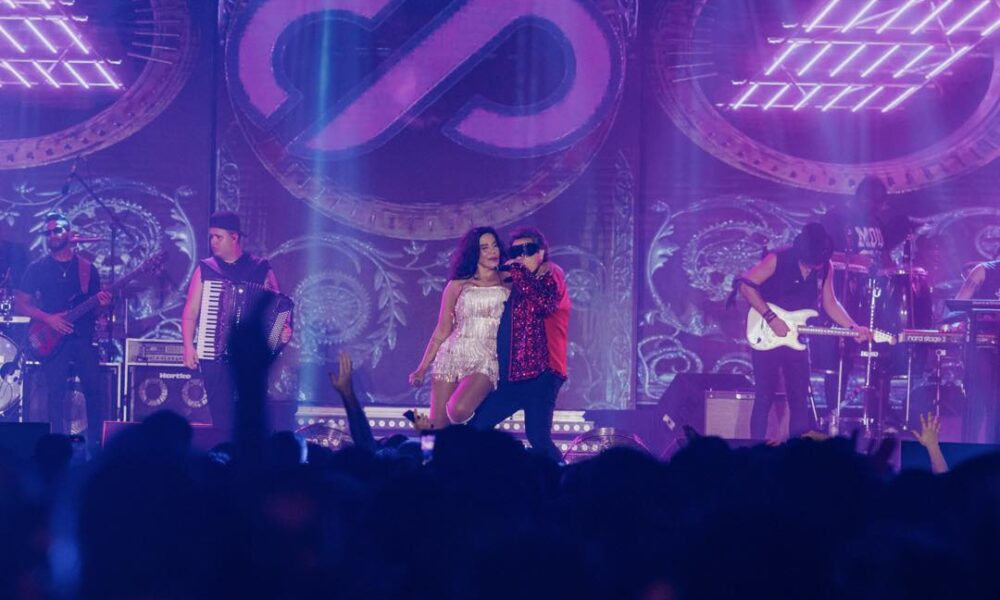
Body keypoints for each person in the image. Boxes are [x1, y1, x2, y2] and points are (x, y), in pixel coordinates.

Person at [735, 223, 871, 441]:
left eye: (818, 263)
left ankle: (797, 452)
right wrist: (771, 318)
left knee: (799, 399)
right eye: (811, 263)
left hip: (795, 338)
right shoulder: (777, 259)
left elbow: (830, 303)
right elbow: (745, 285)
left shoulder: (825, 267)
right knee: (764, 397)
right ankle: (756, 450)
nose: (814, 267)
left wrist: (853, 327)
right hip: (767, 332)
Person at [181, 211, 291, 437]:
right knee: (221, 418)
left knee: (250, 414)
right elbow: (190, 313)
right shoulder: (206, 269)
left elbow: (279, 306)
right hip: (213, 354)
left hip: (251, 355)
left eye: (218, 237)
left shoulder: (260, 268)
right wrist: (188, 346)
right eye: (211, 237)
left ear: (234, 237)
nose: (213, 242)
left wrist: (283, 329)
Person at [467, 227, 570, 463]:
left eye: (528, 250)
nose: (521, 257)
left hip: (541, 375)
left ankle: (564, 477)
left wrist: (518, 270)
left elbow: (544, 303)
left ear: (541, 253)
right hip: (513, 378)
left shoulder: (550, 272)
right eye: (515, 252)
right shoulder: (518, 283)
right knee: (477, 428)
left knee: (538, 438)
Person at [14, 212, 111, 450]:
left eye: (57, 230)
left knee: (94, 390)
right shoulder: (37, 268)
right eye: (48, 232)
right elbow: (21, 304)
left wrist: (103, 305)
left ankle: (94, 447)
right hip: (51, 339)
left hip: (82, 338)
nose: (52, 235)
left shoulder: (87, 269)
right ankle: (55, 449)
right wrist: (48, 319)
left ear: (69, 233)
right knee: (55, 393)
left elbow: (95, 311)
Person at [408, 227, 510, 428]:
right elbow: (442, 330)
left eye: (495, 245)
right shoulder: (457, 285)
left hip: (486, 357)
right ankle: (431, 449)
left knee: (458, 409)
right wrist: (421, 369)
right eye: (485, 248)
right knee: (438, 429)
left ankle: (470, 437)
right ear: (474, 253)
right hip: (451, 355)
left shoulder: (508, 280)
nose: (493, 251)